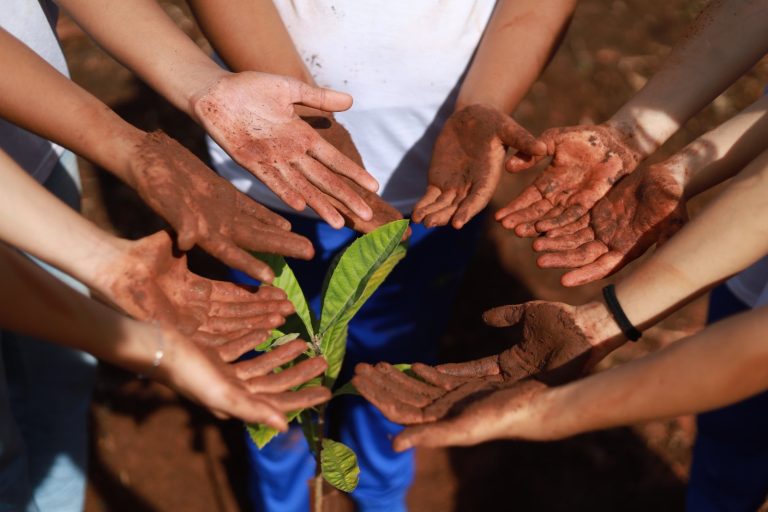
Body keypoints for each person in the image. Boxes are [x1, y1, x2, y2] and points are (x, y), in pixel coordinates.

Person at [188, 0, 577, 510]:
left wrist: (485, 102)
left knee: (398, 354)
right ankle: (281, 492)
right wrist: (309, 122)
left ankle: (379, 485)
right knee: (272, 358)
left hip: (436, 194)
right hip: (274, 168)